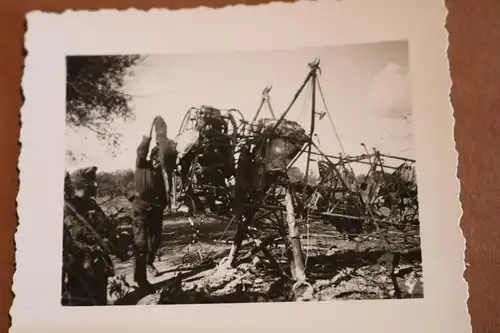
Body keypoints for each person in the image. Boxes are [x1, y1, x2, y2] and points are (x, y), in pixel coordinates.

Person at [61, 167, 114, 306]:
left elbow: (107, 227)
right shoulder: (67, 208)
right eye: (91, 182)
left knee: (100, 300)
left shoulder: (91, 204)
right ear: (82, 185)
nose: (96, 185)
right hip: (79, 267)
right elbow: (69, 241)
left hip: (98, 265)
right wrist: (88, 253)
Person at [131, 135, 168, 290]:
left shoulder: (162, 172)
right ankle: (140, 280)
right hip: (140, 208)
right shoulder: (142, 165)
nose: (159, 162)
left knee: (155, 240)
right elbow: (140, 152)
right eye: (158, 158)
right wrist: (146, 139)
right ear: (152, 156)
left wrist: (163, 204)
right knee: (140, 243)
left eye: (162, 159)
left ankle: (149, 263)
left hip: (156, 208)